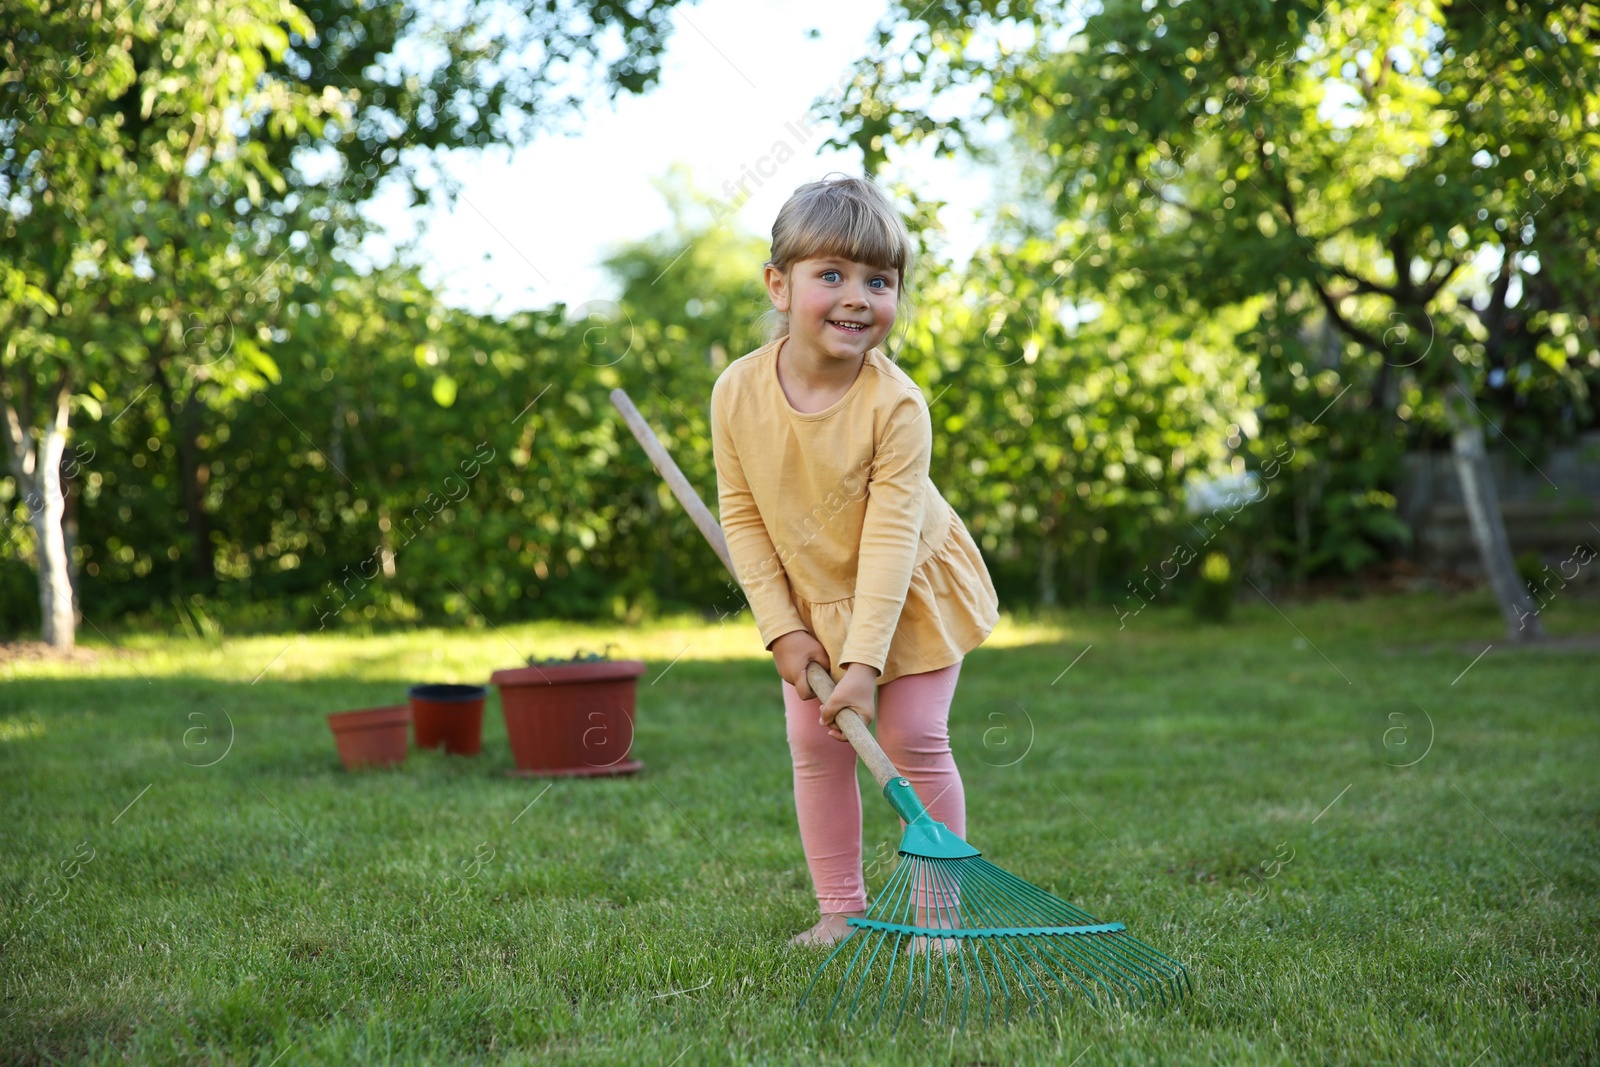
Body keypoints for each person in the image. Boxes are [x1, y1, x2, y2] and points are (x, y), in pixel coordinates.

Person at [709, 174, 1000, 947]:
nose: (856, 296)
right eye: (830, 275)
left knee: (912, 738)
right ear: (779, 285)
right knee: (813, 744)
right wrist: (782, 631)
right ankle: (840, 909)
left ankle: (940, 920)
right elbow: (741, 515)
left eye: (878, 279)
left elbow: (890, 541)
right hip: (813, 601)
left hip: (908, 591)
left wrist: (863, 665)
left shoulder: (896, 406)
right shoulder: (736, 392)